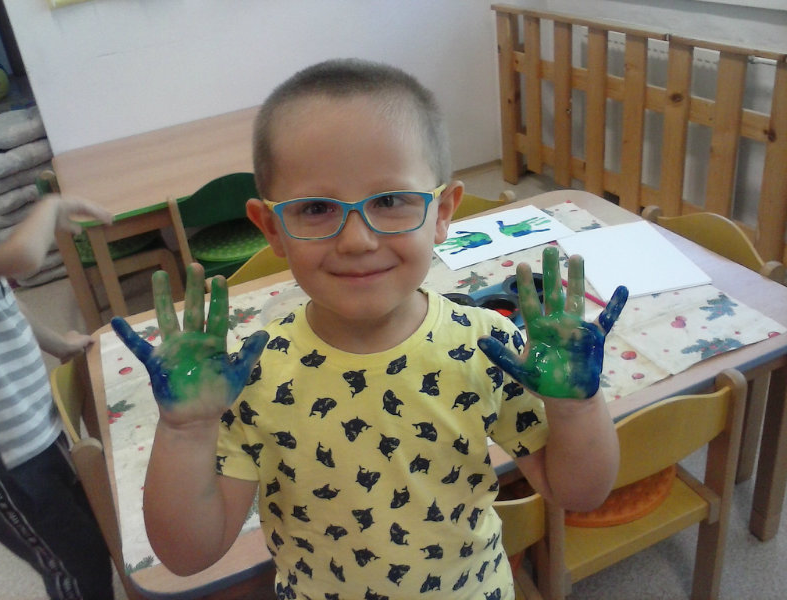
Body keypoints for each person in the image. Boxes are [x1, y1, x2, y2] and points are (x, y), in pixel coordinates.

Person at [112, 58, 628, 599]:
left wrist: (577, 408)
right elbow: (188, 555)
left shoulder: (487, 346)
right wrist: (185, 431)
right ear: (272, 229)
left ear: (442, 212)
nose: (357, 240)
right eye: (316, 208)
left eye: (388, 201)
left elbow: (579, 493)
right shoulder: (249, 376)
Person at [0, 125, 116, 600]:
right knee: (73, 566)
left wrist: (57, 344)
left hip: (33, 427)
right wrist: (51, 206)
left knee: (90, 540)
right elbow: (22, 257)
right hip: (4, 463)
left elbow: (5, 303)